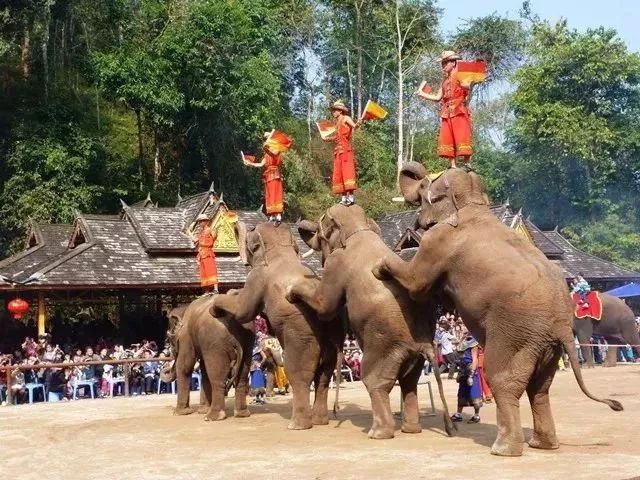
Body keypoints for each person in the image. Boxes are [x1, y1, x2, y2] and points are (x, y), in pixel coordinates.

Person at [417, 50, 472, 169]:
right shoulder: (444, 81)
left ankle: (467, 163)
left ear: (453, 62)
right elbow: (437, 97)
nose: (443, 66)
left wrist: (466, 84)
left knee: (462, 135)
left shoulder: (461, 75)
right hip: (447, 112)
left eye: (445, 63)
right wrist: (422, 94)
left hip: (459, 110)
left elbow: (468, 85)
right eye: (442, 63)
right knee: (448, 137)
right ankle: (452, 165)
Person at [326, 100, 361, 205]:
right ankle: (343, 197)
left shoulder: (346, 118)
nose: (333, 113)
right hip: (338, 151)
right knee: (339, 173)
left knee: (347, 172)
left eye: (335, 111)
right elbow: (336, 137)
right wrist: (327, 139)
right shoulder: (337, 123)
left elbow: (355, 126)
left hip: (345, 150)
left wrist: (358, 123)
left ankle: (350, 197)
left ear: (340, 111)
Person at [244, 133, 284, 224]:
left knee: (275, 194)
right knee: (269, 195)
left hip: (275, 174)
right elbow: (260, 164)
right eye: (265, 139)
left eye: (267, 138)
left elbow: (273, 154)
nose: (266, 140)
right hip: (268, 176)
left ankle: (278, 214)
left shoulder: (277, 149)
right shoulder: (266, 154)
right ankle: (272, 214)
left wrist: (266, 147)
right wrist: (250, 163)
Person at [451, 335, 483, 423]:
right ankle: (458, 414)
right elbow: (457, 349)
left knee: (474, 393)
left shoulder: (474, 344)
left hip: (470, 370)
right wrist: (462, 338)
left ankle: (476, 415)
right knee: (461, 392)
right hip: (463, 371)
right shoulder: (464, 342)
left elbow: (475, 360)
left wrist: (471, 375)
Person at [191, 213, 219, 294]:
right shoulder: (201, 233)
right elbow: (195, 240)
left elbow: (214, 237)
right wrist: (189, 232)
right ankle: (206, 290)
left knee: (211, 270)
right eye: (199, 222)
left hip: (208, 252)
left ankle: (215, 289)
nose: (200, 223)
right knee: (204, 272)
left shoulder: (210, 230)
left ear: (206, 222)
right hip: (202, 254)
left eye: (201, 221)